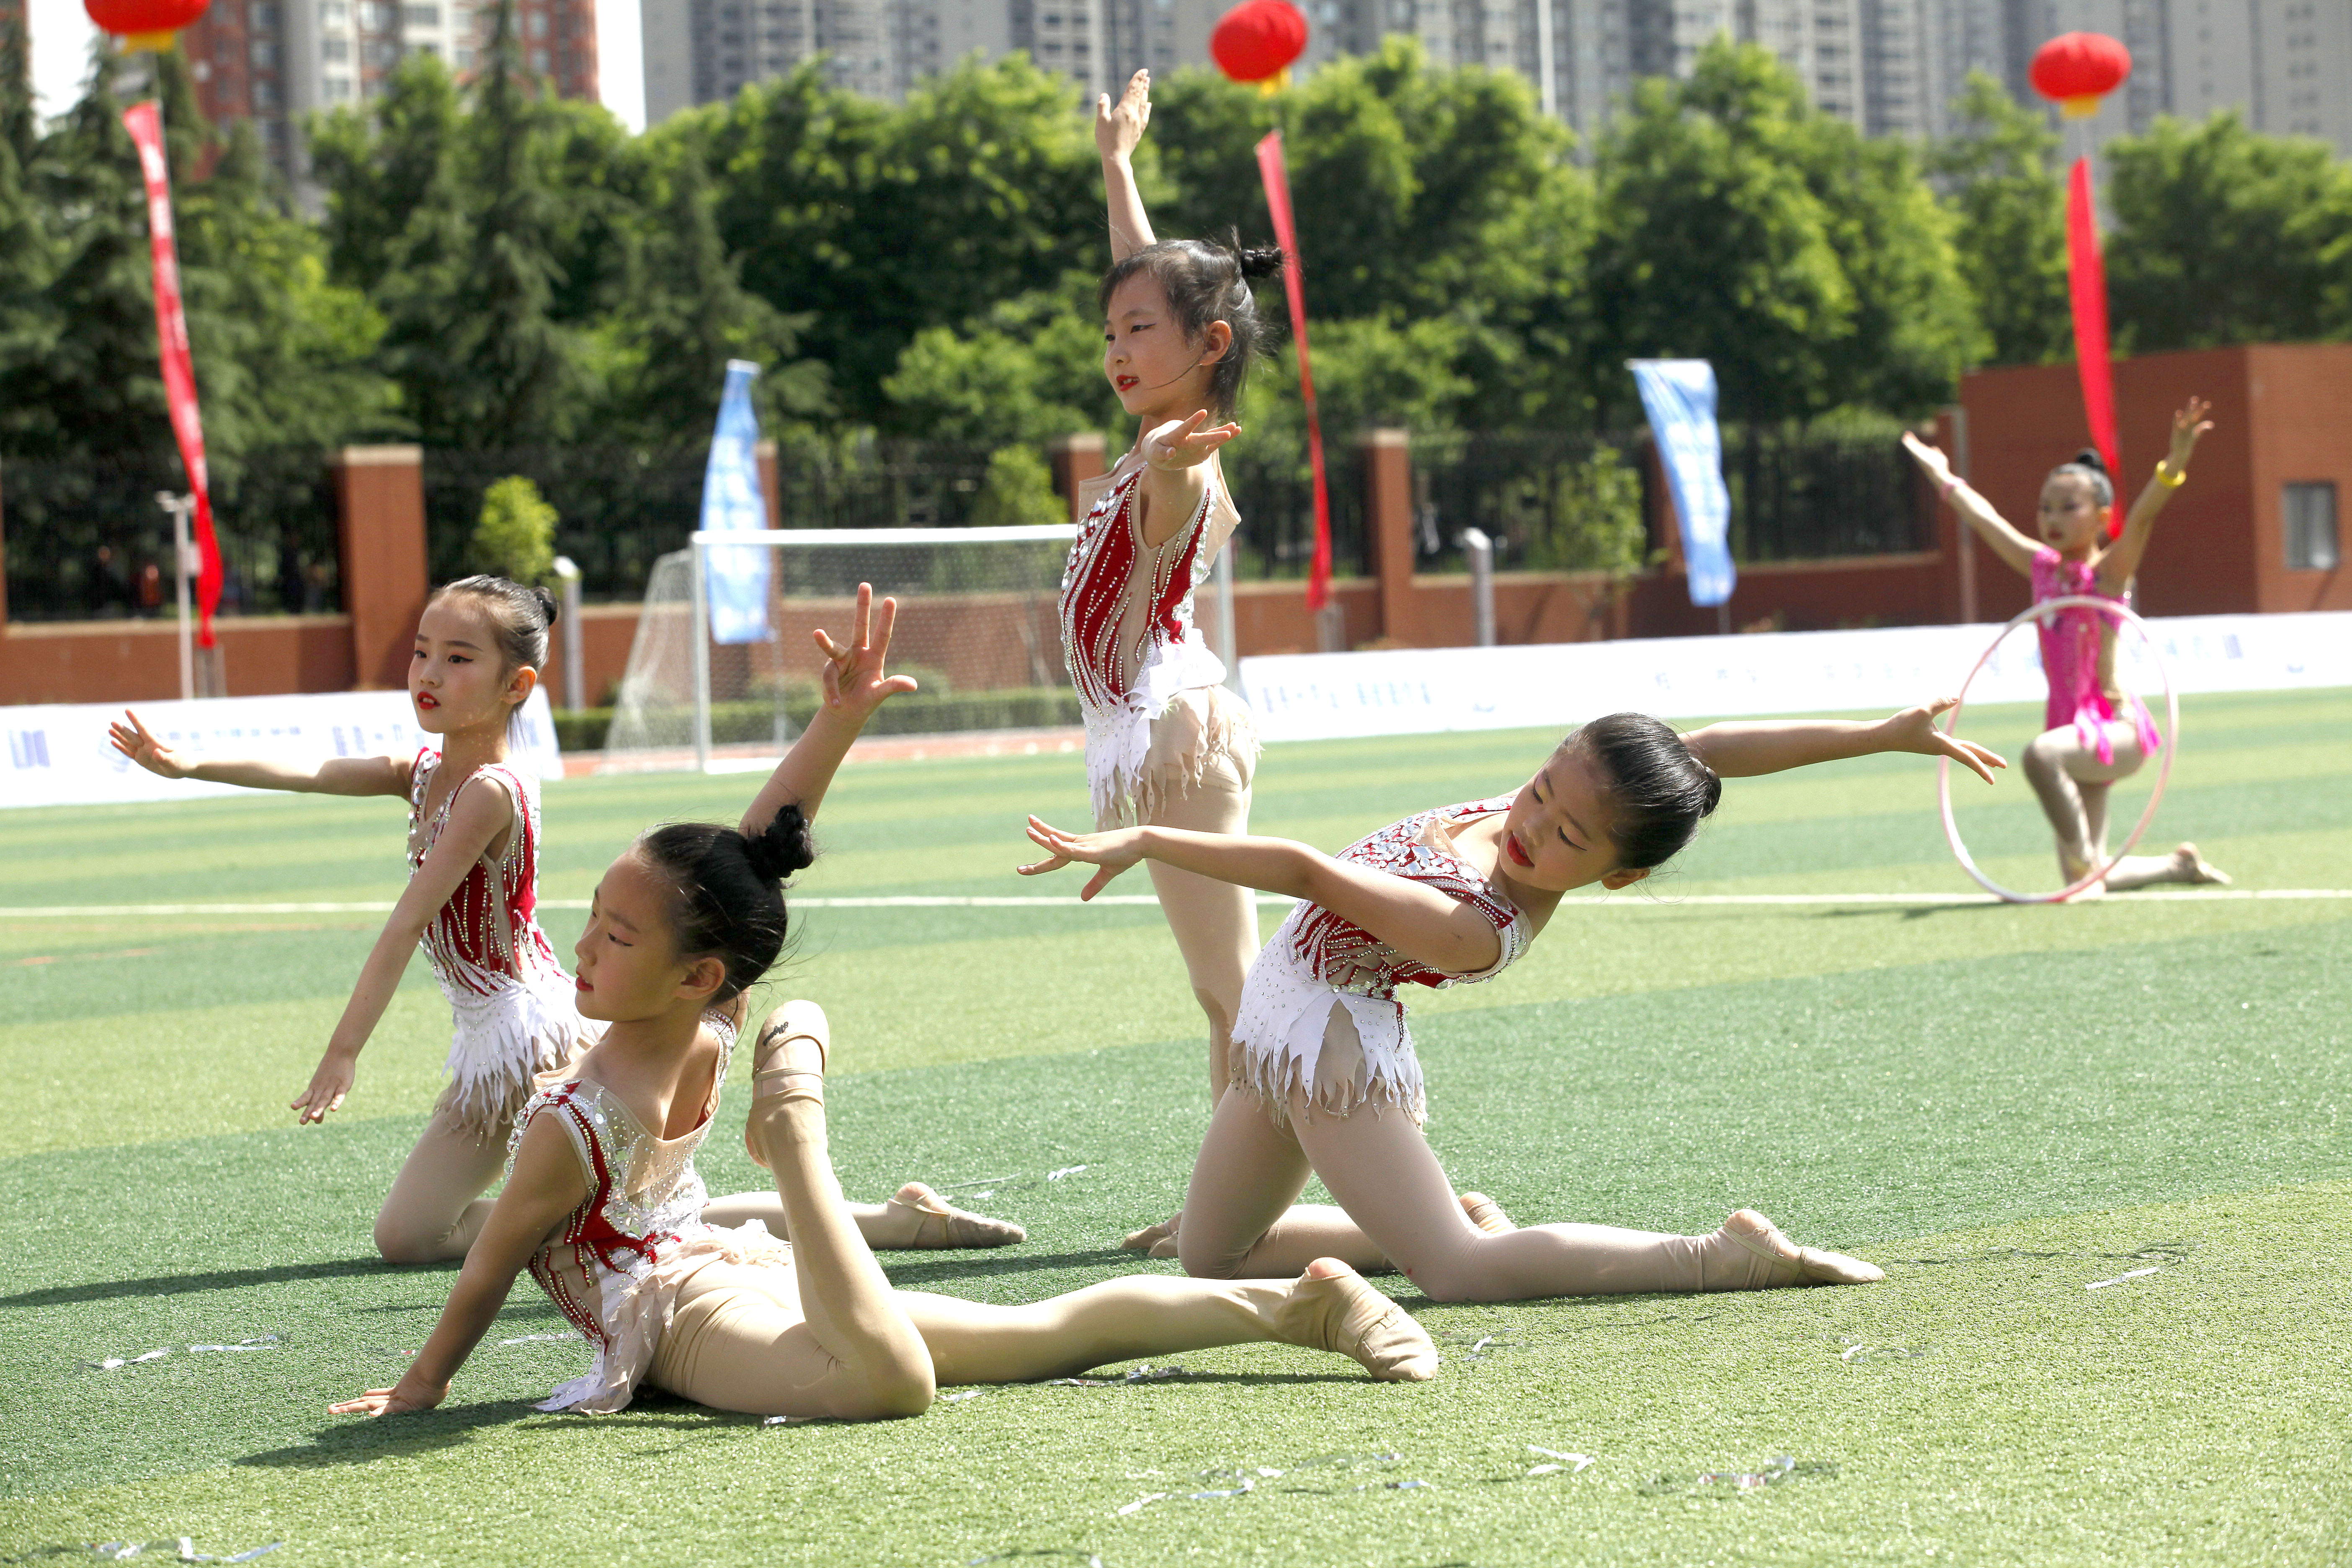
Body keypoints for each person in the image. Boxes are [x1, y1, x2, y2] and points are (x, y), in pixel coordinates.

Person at [330, 588, 1434, 1422]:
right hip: (738, 1270)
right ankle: (1298, 1306)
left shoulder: (576, 1115)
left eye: (616, 937)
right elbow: (751, 866)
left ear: (696, 974)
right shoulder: (707, 1015)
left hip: (689, 1317)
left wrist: (420, 1390)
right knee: (1033, 1335)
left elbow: (489, 1268)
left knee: (891, 1382)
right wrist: (838, 723)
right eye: (594, 925)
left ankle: (799, 1142)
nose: (582, 948)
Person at [109, 575, 1014, 1264]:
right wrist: (188, 766)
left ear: (518, 684)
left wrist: (344, 1050)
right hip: (492, 1034)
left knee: (618, 1213)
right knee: (426, 1234)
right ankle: (872, 1218)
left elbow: (404, 924)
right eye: (422, 652)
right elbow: (312, 773)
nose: (428, 672)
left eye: (458, 658)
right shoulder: (424, 772)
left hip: (527, 1032)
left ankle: (882, 1222)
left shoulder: (488, 793)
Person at [1018, 702, 2007, 1302]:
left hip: (1330, 1053)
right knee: (1213, 1256)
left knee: (1458, 1271)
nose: (1535, 824)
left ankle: (1718, 1255)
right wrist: (1881, 735)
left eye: (1571, 835)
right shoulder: (1547, 805)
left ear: (1617, 874)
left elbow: (1308, 870)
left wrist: (1148, 839)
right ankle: (1436, 1212)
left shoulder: (1479, 922)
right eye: (1541, 789)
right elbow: (1710, 749)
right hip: (1277, 1032)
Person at [1063, 67, 1282, 1104]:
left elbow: (1176, 491)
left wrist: (1170, 467)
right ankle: (1244, 1176)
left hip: (1178, 735)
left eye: (1138, 332)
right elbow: (1145, 278)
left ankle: (1339, 1170)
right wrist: (1117, 166)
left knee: (1236, 992)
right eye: (1110, 333)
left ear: (1211, 345)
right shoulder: (1160, 430)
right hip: (1157, 736)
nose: (1117, 348)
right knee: (1224, 994)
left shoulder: (1183, 455)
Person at [1903, 403, 2230, 896]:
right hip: (2067, 727)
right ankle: (2174, 866)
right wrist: (1941, 475)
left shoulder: (2108, 574)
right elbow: (1984, 519)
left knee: (2039, 757)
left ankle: (2082, 858)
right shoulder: (2041, 568)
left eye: (2068, 508)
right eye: (2046, 507)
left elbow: (2143, 518)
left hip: (2115, 727)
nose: (2052, 518)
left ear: (2101, 517)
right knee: (2084, 879)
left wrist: (2175, 462)